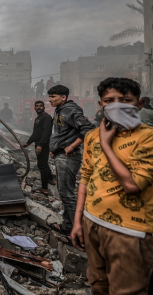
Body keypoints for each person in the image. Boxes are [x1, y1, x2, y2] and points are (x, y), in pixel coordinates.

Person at [71, 78, 153, 295]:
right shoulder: (92, 137)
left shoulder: (150, 137)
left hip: (130, 232)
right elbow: (85, 179)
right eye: (109, 100)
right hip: (93, 223)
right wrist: (78, 222)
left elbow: (132, 185)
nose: (117, 105)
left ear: (139, 104)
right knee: (99, 287)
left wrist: (106, 143)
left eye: (125, 100)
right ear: (101, 104)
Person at [47, 84, 95, 239]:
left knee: (67, 194)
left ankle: (78, 230)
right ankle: (68, 226)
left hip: (68, 157)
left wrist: (72, 146)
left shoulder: (70, 110)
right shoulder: (60, 110)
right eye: (50, 96)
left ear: (64, 97)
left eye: (53, 97)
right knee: (65, 193)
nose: (50, 100)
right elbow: (62, 132)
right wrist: (54, 149)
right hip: (61, 154)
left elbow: (88, 128)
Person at [22, 100, 56, 195]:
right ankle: (50, 179)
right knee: (43, 163)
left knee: (42, 165)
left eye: (41, 106)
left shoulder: (46, 117)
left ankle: (44, 188)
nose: (39, 107)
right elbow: (36, 133)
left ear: (44, 107)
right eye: (37, 106)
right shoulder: (38, 118)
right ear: (34, 108)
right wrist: (28, 143)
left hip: (43, 144)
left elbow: (46, 132)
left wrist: (40, 145)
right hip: (39, 143)